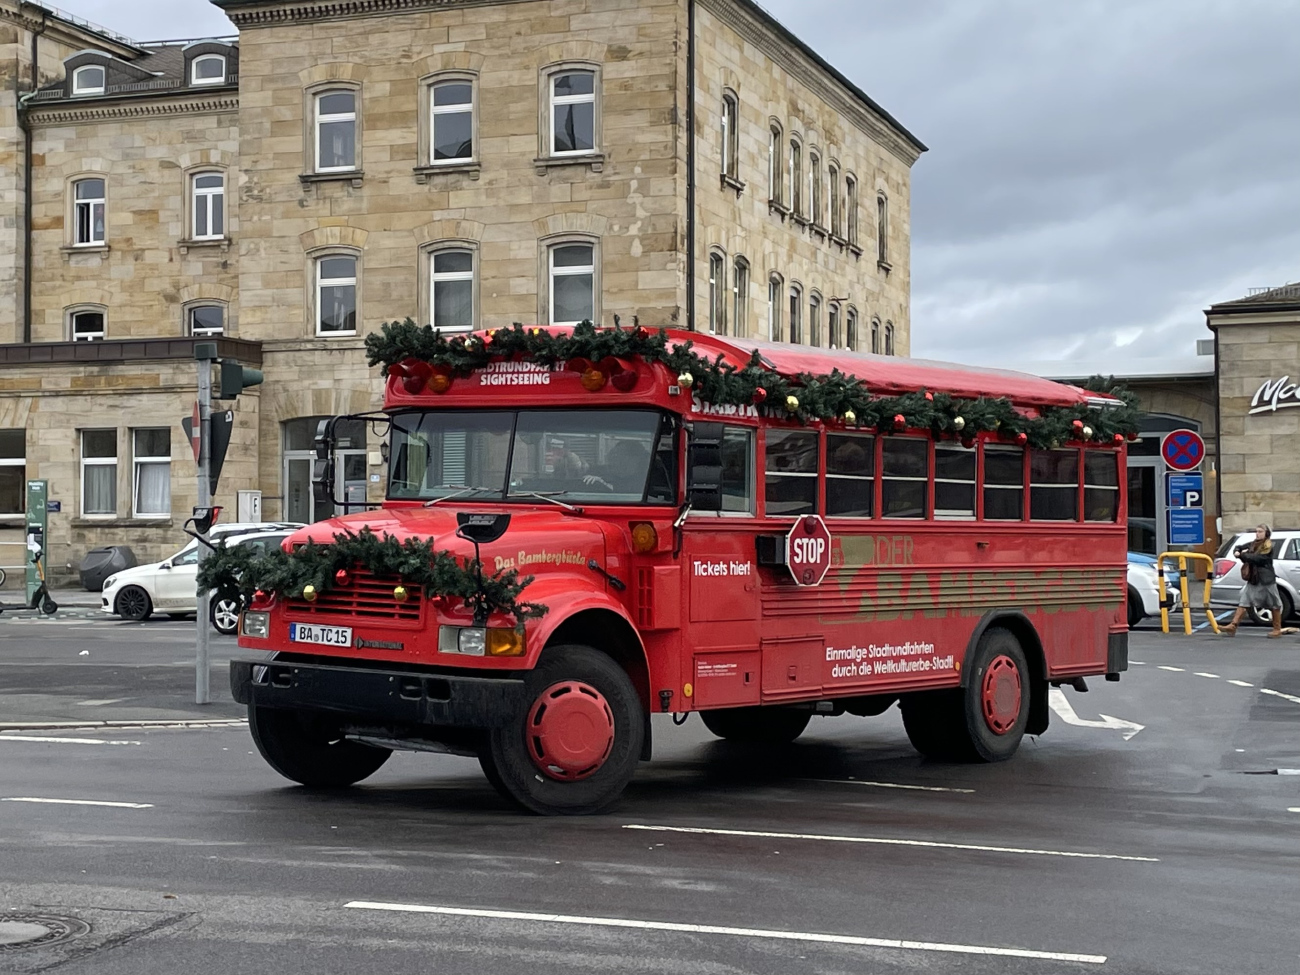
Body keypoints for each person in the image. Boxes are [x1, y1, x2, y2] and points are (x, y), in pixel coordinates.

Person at [1221, 524, 1284, 637]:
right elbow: (1239, 547)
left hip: (1266, 579)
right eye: (1257, 531)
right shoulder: (1253, 544)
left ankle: (1277, 629)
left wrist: (1242, 555)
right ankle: (1233, 625)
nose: (1257, 533)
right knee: (1244, 601)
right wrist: (1237, 551)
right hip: (1254, 579)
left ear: (1266, 533)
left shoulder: (1268, 546)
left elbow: (1258, 559)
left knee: (1275, 604)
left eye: (1260, 531)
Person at [583, 440, 650, 494]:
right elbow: (585, 468)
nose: (611, 459)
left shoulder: (645, 480)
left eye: (618, 455)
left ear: (634, 459)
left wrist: (603, 484)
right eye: (612, 454)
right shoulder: (604, 470)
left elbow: (624, 495)